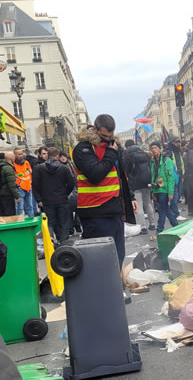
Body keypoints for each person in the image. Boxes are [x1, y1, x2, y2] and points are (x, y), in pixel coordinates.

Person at [73, 114, 137, 269]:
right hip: (95, 211)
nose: (107, 140)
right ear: (95, 129)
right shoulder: (83, 148)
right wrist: (111, 153)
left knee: (117, 254)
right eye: (103, 136)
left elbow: (120, 175)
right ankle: (102, 289)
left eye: (110, 136)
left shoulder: (113, 146)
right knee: (100, 258)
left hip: (114, 209)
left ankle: (114, 289)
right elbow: (95, 174)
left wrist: (130, 197)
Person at [32, 148, 75, 243]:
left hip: (47, 200)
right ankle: (63, 243)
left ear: (48, 155)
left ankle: (50, 242)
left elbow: (35, 184)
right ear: (57, 156)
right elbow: (71, 183)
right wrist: (65, 193)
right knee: (64, 222)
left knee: (50, 222)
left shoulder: (39, 168)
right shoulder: (63, 168)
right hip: (62, 199)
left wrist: (40, 198)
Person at [123, 139, 156, 234]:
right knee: (148, 202)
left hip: (136, 183)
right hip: (146, 181)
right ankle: (152, 223)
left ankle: (143, 227)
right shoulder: (144, 154)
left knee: (139, 205)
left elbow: (127, 171)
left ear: (127, 147)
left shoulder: (128, 156)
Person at [150, 141, 179, 232]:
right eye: (152, 148)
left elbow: (171, 178)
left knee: (162, 210)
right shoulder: (152, 161)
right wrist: (153, 191)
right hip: (157, 189)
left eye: (155, 147)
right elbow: (153, 177)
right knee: (166, 210)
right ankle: (177, 226)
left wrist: (171, 192)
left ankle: (159, 231)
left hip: (164, 189)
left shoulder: (167, 160)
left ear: (160, 148)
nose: (154, 150)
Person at [13, 148, 34, 217]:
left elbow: (30, 173)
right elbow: (15, 176)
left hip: (28, 186)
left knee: (30, 207)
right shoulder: (13, 165)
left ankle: (31, 222)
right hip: (20, 188)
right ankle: (19, 224)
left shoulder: (26, 163)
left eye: (21, 153)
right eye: (19, 154)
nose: (21, 155)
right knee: (20, 208)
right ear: (15, 155)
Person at [0, 152, 20, 216]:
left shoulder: (1, 165)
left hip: (1, 193)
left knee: (2, 215)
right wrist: (17, 196)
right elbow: (11, 184)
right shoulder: (8, 168)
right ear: (10, 158)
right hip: (7, 194)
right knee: (10, 214)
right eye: (14, 156)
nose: (15, 157)